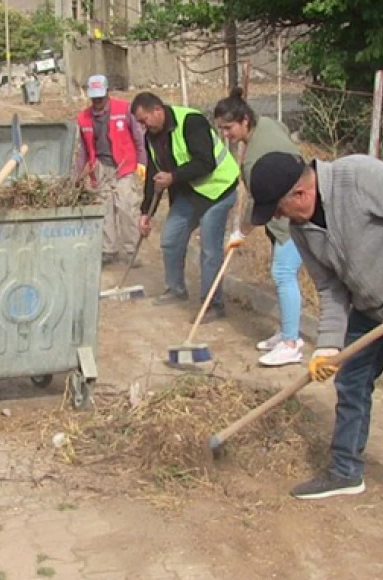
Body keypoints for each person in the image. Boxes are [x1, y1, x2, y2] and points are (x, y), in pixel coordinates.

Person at [247, 151, 383, 531]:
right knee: (351, 383)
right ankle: (345, 471)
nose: (278, 218)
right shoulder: (302, 228)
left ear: (299, 193)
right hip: (368, 308)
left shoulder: (357, 178)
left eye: (278, 208)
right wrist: (328, 346)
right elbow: (330, 287)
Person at [214, 88, 305, 367]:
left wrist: (240, 232)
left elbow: (258, 203)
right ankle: (288, 332)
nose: (225, 135)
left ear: (244, 121)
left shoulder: (255, 161)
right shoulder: (267, 123)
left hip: (298, 213)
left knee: (283, 271)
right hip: (291, 207)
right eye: (220, 129)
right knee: (282, 272)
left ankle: (291, 344)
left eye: (228, 128)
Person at [131, 92, 239, 321]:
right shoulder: (151, 136)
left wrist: (173, 177)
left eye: (143, 120)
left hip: (218, 190)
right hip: (190, 193)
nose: (142, 126)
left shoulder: (191, 121)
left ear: (157, 110)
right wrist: (145, 212)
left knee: (210, 251)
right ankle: (176, 290)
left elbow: (206, 162)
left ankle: (212, 305)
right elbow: (154, 173)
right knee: (170, 239)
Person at [72, 74, 147, 266]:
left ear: (107, 93)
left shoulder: (125, 109)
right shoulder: (83, 118)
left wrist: (142, 164)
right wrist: (77, 175)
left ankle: (131, 250)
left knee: (126, 208)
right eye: (94, 98)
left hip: (124, 166)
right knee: (105, 210)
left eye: (100, 97)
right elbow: (83, 150)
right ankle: (108, 249)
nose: (97, 102)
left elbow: (139, 140)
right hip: (101, 169)